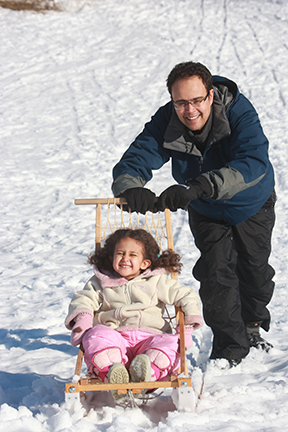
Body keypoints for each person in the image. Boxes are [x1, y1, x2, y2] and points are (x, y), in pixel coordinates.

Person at [111, 61, 276, 367]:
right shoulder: (167, 119)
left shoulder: (239, 112)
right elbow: (136, 158)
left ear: (211, 95)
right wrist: (130, 187)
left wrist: (201, 186)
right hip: (207, 208)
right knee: (215, 274)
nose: (190, 111)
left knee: (254, 271)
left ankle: (252, 326)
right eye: (181, 103)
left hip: (250, 202)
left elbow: (254, 162)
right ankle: (229, 348)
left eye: (197, 100)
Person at [65, 228, 203, 402]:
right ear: (111, 257)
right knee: (95, 335)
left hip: (150, 338)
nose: (125, 259)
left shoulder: (156, 280)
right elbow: (84, 298)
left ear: (145, 263)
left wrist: (188, 326)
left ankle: (147, 373)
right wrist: (83, 318)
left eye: (132, 255)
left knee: (170, 342)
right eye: (120, 253)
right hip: (115, 337)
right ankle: (112, 373)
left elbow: (185, 295)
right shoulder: (102, 280)